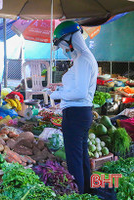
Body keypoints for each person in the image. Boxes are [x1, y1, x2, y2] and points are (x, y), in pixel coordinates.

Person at [50, 21, 98, 194]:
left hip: (76, 114)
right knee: (81, 157)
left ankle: (77, 194)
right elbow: (76, 88)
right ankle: (86, 192)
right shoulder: (81, 58)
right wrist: (61, 90)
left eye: (62, 43)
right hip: (79, 113)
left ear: (71, 39)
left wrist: (58, 95)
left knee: (74, 159)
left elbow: (80, 92)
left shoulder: (83, 59)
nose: (63, 48)